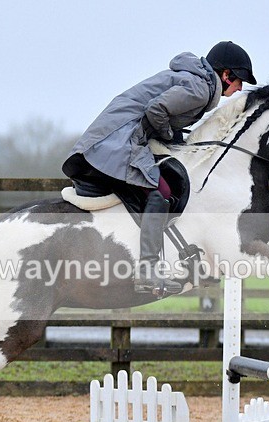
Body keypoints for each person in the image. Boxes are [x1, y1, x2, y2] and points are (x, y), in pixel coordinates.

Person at [62, 41, 256, 296]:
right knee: (161, 193)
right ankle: (147, 271)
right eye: (239, 80)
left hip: (118, 138)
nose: (240, 87)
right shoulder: (200, 88)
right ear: (226, 74)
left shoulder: (195, 81)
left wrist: (171, 136)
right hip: (117, 142)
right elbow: (157, 110)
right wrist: (170, 136)